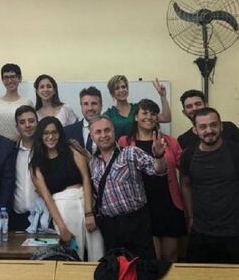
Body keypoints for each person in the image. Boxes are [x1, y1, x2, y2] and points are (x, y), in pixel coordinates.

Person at [89, 115, 166, 259]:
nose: (104, 135)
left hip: (137, 222)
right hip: (109, 226)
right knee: (116, 269)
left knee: (144, 268)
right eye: (98, 132)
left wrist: (159, 156)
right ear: (92, 136)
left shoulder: (130, 152)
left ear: (114, 131)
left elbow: (158, 170)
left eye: (107, 130)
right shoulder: (92, 163)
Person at [118, 99, 186, 261]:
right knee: (151, 257)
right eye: (145, 113)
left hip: (168, 204)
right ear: (135, 117)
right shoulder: (124, 142)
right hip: (142, 207)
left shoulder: (170, 141)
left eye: (153, 113)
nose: (149, 117)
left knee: (171, 256)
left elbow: (185, 169)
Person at [30, 116, 104, 261]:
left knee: (98, 253)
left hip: (87, 202)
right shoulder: (36, 165)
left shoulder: (72, 150)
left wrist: (89, 212)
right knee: (74, 256)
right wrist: (62, 227)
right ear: (40, 136)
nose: (50, 137)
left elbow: (86, 179)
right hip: (63, 209)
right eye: (46, 133)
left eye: (54, 132)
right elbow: (47, 198)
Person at [180, 107, 239, 263]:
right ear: (195, 130)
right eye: (203, 127)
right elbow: (185, 184)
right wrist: (190, 215)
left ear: (221, 126)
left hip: (234, 231)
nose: (209, 130)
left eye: (213, 125)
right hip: (201, 231)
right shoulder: (188, 155)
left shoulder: (235, 151)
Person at [103, 75, 171, 139]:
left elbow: (166, 118)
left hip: (140, 148)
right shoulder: (109, 114)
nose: (121, 90)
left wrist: (163, 96)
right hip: (119, 150)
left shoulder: (139, 108)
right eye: (117, 88)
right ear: (112, 93)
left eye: (123, 87)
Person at [10, 105, 39, 231]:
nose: (27, 125)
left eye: (31, 121)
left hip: (43, 217)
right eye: (22, 122)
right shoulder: (10, 151)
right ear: (17, 127)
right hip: (17, 218)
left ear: (38, 123)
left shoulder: (46, 151)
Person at [0, 63, 33, 140]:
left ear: (19, 78)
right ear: (2, 80)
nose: (9, 81)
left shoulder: (27, 103)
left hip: (18, 146)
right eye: (6, 77)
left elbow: (31, 127)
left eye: (13, 77)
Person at [64, 86, 103, 156]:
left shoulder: (113, 130)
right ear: (81, 106)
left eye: (94, 103)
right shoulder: (67, 132)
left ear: (101, 106)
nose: (90, 108)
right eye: (85, 104)